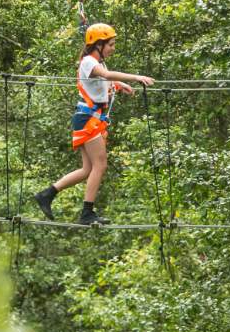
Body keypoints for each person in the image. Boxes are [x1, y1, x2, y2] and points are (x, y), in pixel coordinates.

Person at [33, 23, 154, 225]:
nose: (113, 48)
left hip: (90, 118)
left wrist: (119, 84)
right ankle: (87, 213)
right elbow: (104, 76)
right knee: (101, 164)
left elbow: (101, 82)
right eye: (111, 44)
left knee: (87, 169)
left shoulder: (98, 62)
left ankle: (47, 194)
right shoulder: (89, 62)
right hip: (87, 119)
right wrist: (135, 77)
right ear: (98, 44)